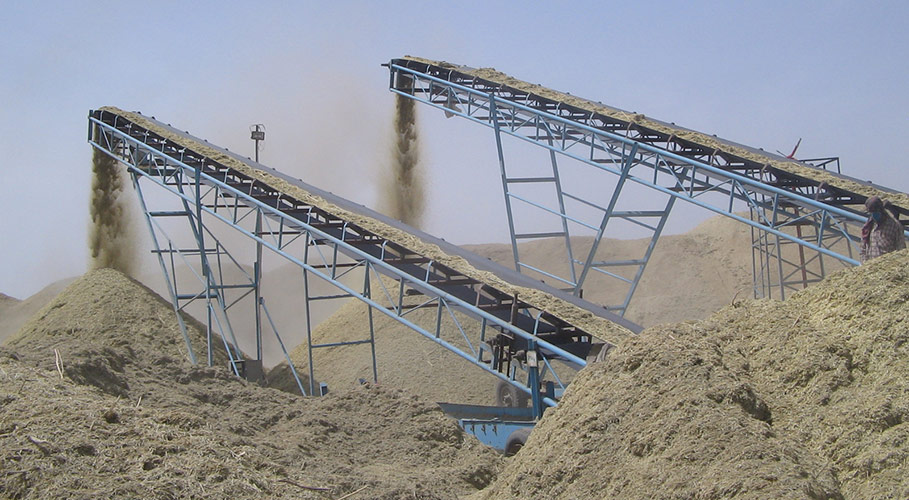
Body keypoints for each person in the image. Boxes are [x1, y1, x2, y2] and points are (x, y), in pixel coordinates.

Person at [860, 196, 906, 263]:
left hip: (887, 264)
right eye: (871, 213)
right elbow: (863, 248)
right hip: (871, 264)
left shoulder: (894, 225)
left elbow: (901, 249)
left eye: (875, 212)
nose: (873, 215)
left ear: (881, 210)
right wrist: (864, 262)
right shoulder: (869, 226)